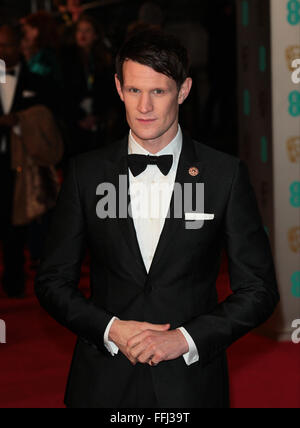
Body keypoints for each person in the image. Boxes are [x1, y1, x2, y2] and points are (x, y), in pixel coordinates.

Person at [35, 30, 280, 408]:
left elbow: (259, 290)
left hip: (190, 384)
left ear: (183, 91)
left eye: (159, 92)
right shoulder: (86, 173)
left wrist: (185, 338)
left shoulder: (223, 175)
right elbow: (52, 280)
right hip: (103, 382)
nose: (144, 106)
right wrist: (110, 329)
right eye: (134, 91)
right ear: (118, 88)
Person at [0, 25, 57, 297]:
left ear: (20, 45)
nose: (3, 51)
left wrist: (21, 123)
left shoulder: (38, 83)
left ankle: (15, 281)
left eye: (8, 45)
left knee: (18, 225)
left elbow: (49, 123)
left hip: (23, 165)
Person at [60, 15, 117, 156]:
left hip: (98, 121)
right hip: (74, 121)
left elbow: (108, 91)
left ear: (96, 35)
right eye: (79, 30)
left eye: (87, 30)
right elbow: (63, 91)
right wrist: (78, 117)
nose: (82, 35)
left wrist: (98, 115)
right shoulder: (66, 58)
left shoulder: (103, 59)